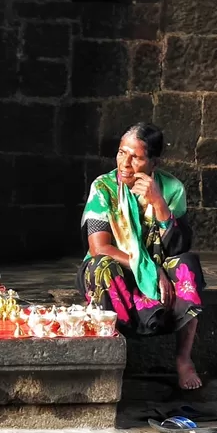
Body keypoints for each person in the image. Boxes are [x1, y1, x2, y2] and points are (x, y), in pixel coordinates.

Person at [77, 122, 206, 390]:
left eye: (136, 156)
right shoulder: (104, 188)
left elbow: (178, 247)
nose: (125, 163)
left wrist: (158, 202)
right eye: (122, 153)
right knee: (101, 267)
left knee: (187, 264)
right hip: (119, 267)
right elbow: (98, 248)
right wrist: (149, 269)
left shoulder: (172, 189)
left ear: (153, 161)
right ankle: (111, 360)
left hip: (158, 265)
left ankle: (183, 360)